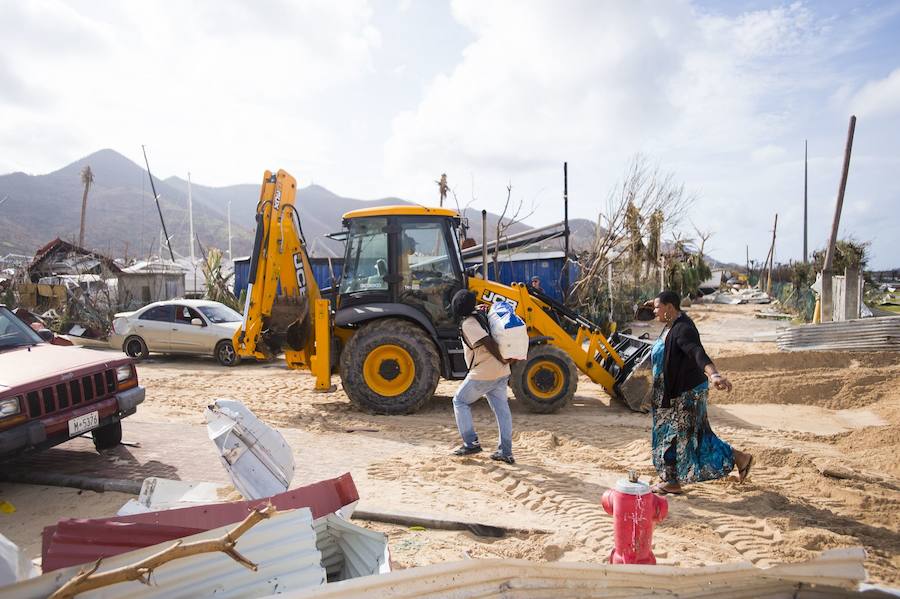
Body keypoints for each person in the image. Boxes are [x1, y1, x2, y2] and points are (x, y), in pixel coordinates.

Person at [649, 290, 753, 494]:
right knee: (695, 434)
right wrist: (651, 305)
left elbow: (697, 352)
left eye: (657, 307)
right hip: (671, 393)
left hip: (686, 394)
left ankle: (672, 481)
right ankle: (740, 457)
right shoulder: (670, 324)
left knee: (674, 435)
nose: (654, 311)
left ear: (670, 308)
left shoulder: (683, 329)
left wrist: (713, 374)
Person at [449, 289, 515, 464]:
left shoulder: (468, 324)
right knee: (502, 410)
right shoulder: (481, 315)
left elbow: (487, 342)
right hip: (501, 371)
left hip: (485, 372)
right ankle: (506, 452)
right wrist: (503, 361)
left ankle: (471, 443)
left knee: (459, 401)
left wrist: (500, 357)